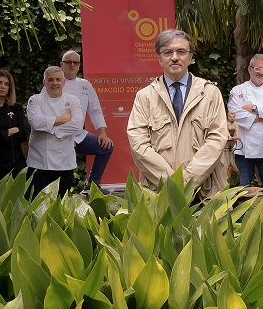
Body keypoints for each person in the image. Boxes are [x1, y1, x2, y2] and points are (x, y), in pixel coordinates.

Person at [126, 29, 229, 199]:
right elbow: (138, 144)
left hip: (204, 192)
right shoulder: (145, 96)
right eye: (167, 52)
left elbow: (216, 140)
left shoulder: (210, 93)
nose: (175, 57)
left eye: (181, 51)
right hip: (159, 192)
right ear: (159, 58)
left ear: (190, 57)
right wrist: (172, 183)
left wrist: (188, 180)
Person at [228, 54, 263, 193]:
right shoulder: (237, 90)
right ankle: (238, 216)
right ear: (249, 69)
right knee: (240, 191)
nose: (261, 72)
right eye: (258, 68)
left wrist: (252, 108)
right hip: (243, 149)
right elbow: (234, 115)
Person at [26, 66, 84, 196]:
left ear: (64, 82)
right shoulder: (35, 100)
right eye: (50, 80)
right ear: (44, 82)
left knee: (61, 205)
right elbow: (36, 123)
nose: (55, 83)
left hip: (64, 163)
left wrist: (51, 127)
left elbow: (77, 126)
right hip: (39, 163)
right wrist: (63, 118)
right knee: (36, 204)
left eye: (58, 79)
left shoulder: (73, 100)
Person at [60, 50, 114, 188]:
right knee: (63, 172)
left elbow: (95, 110)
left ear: (79, 66)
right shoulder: (54, 82)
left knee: (106, 147)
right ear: (62, 65)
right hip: (59, 137)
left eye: (75, 62)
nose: (72, 65)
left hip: (79, 136)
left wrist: (103, 134)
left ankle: (92, 185)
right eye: (68, 62)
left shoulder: (85, 85)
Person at [0, 69, 28, 178]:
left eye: (6, 84)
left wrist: (0, 135)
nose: (3, 86)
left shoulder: (16, 107)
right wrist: (9, 131)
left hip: (16, 163)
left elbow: (24, 134)